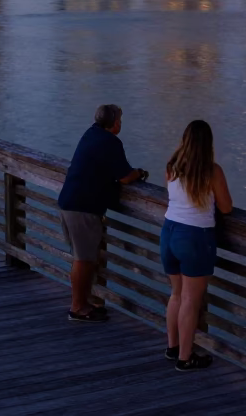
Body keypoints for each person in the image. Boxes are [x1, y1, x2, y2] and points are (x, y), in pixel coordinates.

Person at [58, 104, 147, 322]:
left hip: (69, 201)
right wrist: (140, 173)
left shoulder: (91, 134)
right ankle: (77, 308)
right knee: (84, 259)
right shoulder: (110, 142)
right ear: (115, 123)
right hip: (83, 207)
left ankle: (83, 303)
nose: (121, 124)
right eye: (120, 120)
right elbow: (125, 177)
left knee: (83, 258)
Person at [160, 120, 233, 371]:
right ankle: (185, 357)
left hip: (169, 231)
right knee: (191, 300)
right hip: (195, 236)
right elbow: (226, 207)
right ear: (208, 143)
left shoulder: (172, 167)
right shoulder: (212, 171)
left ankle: (172, 347)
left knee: (177, 294)